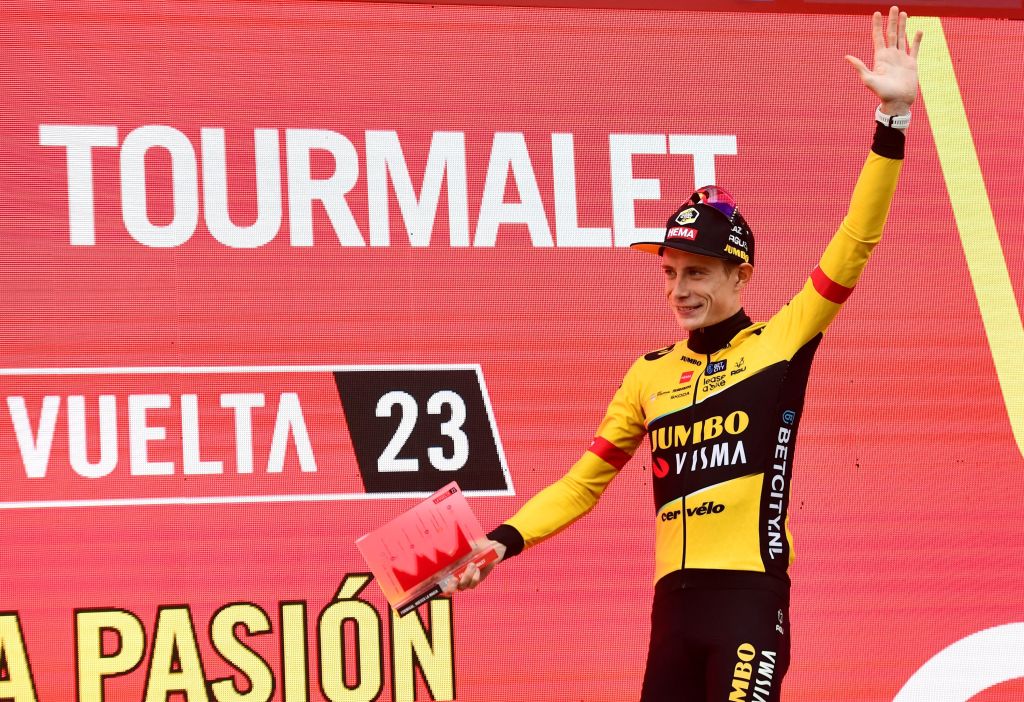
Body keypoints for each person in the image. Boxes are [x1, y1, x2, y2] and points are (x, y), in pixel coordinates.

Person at [449, 6, 923, 700]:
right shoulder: (648, 376)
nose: (679, 288)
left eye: (696, 272)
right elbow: (584, 482)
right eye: (670, 272)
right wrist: (502, 539)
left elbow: (856, 242)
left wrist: (894, 122)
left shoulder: (784, 338)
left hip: (750, 605)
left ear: (740, 275)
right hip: (672, 612)